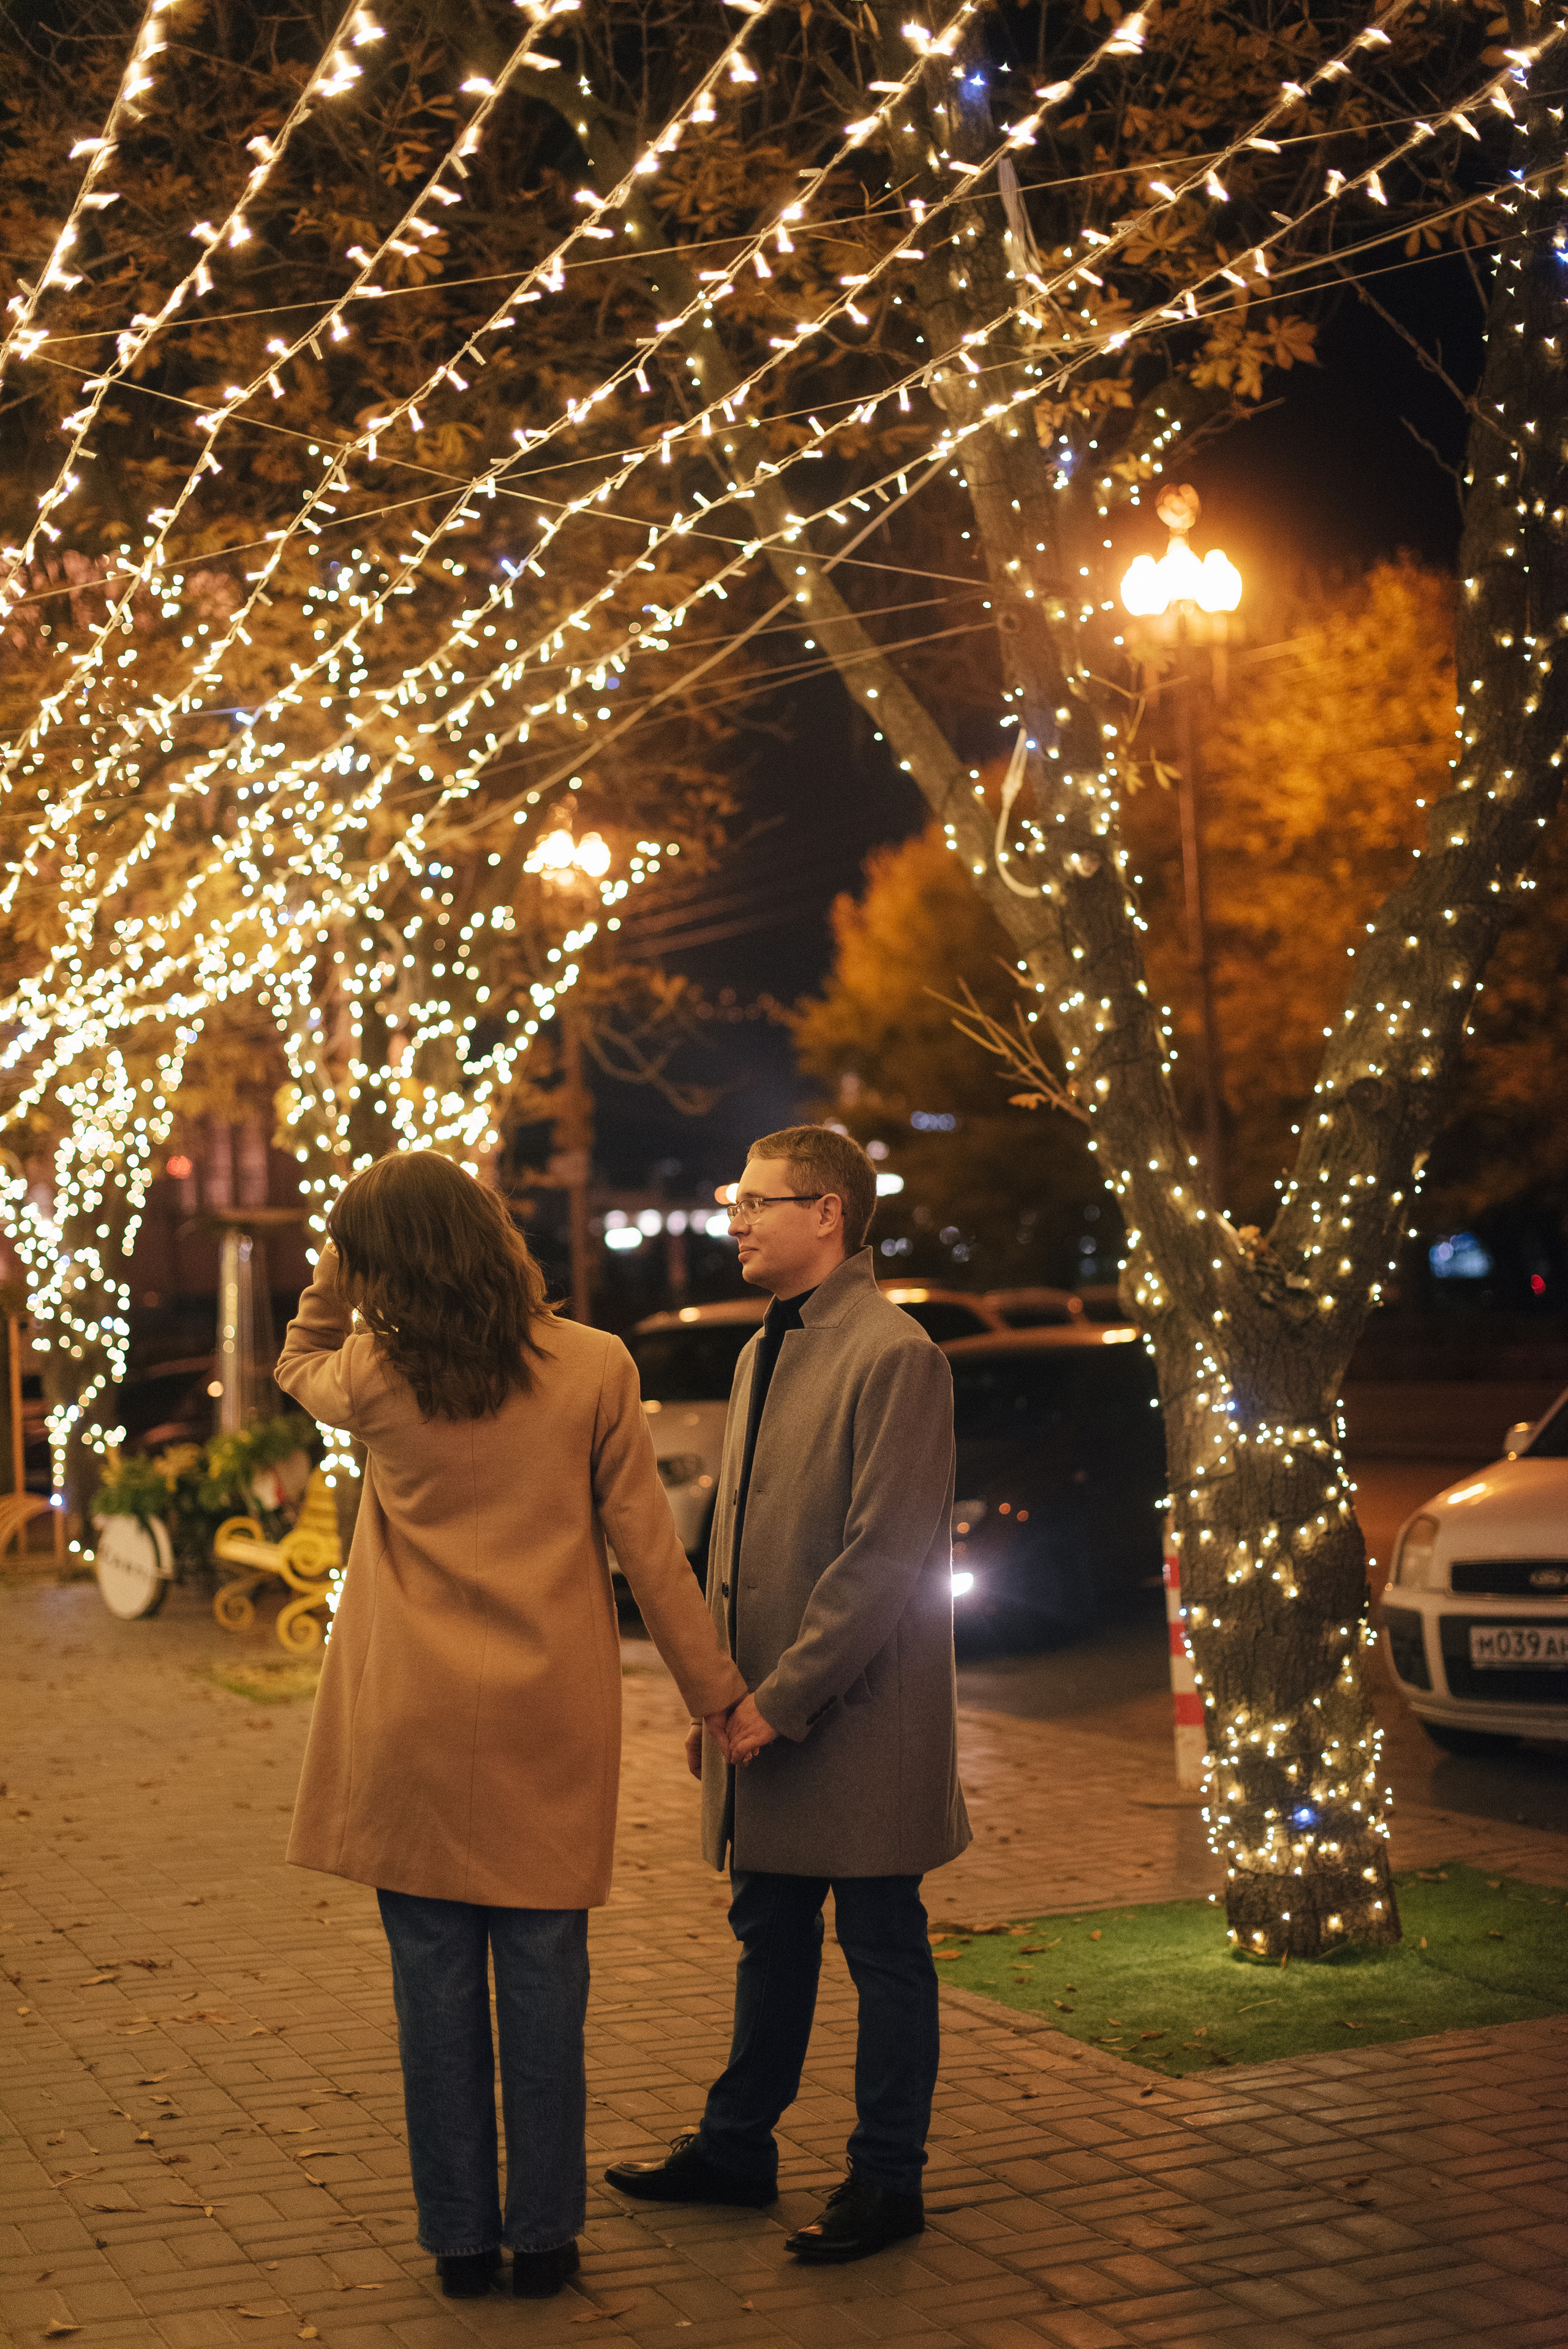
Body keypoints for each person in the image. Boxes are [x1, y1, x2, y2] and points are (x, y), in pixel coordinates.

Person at [277, 1152, 745, 2302]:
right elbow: (650, 1552)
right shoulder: (594, 1365)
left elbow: (296, 1359)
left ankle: (457, 2242)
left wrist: (337, 1267)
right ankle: (545, 2237)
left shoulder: (375, 1371)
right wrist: (716, 1697)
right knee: (545, 1988)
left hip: (410, 1723)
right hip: (546, 1718)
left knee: (430, 1994)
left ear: (380, 1262)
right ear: (494, 1236)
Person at [605, 1125, 970, 2263]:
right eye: (737, 1199)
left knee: (881, 1941)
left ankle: (887, 2177)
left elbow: (883, 1561)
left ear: (831, 1214)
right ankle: (736, 2147)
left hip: (855, 1718)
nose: (739, 1220)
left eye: (761, 1201)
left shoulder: (895, 1352)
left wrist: (778, 1700)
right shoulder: (762, 1348)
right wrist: (716, 1696)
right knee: (768, 1930)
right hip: (760, 1711)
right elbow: (733, 1553)